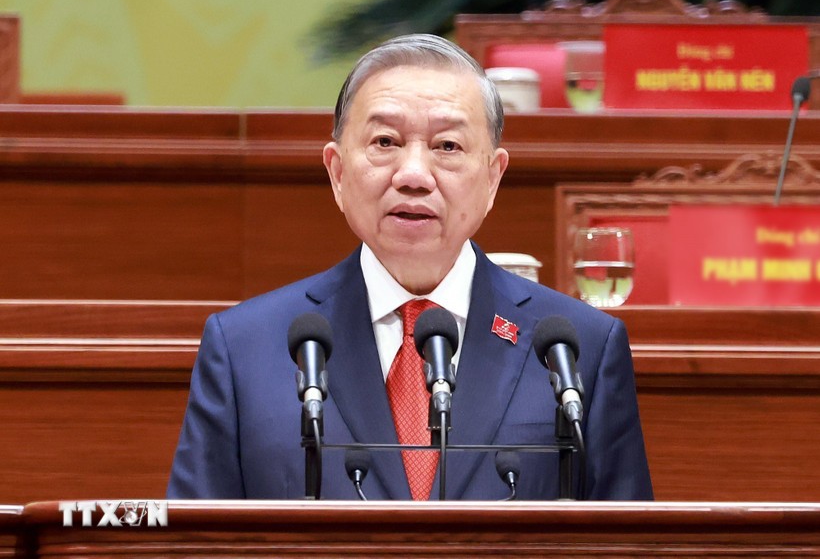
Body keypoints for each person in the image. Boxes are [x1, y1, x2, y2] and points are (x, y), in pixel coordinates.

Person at [167, 34, 653, 501]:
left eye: (447, 146)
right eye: (384, 141)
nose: (414, 175)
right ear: (337, 173)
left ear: (492, 178)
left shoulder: (580, 346)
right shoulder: (244, 349)